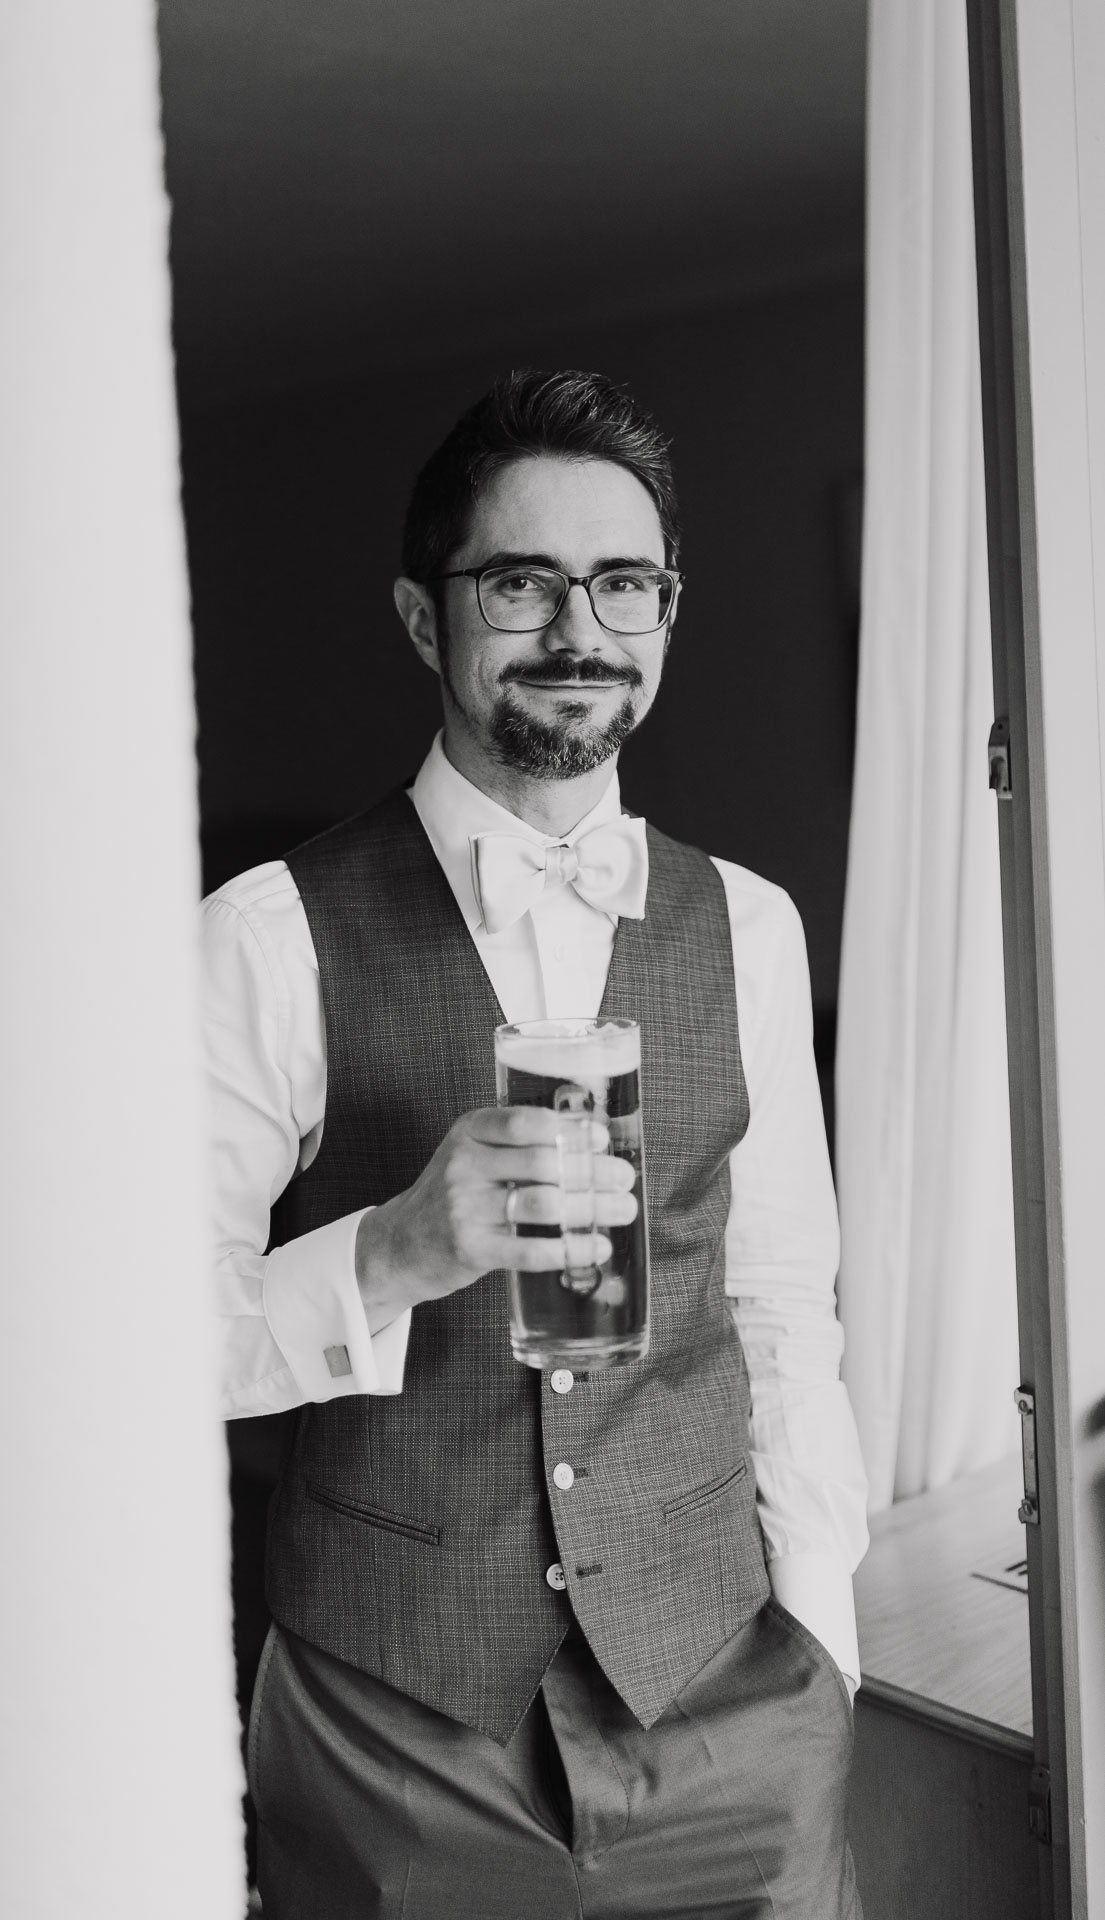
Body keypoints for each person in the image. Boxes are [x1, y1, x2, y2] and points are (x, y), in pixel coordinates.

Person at [203, 369, 869, 1919]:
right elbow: (121, 1350)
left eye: (623, 584)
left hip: (731, 1707)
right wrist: (387, 1253)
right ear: (423, 618)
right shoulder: (263, 937)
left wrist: (821, 1650)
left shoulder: (750, 928)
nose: (580, 628)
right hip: (390, 1737)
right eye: (521, 583)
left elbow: (778, 1310)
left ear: (665, 613)